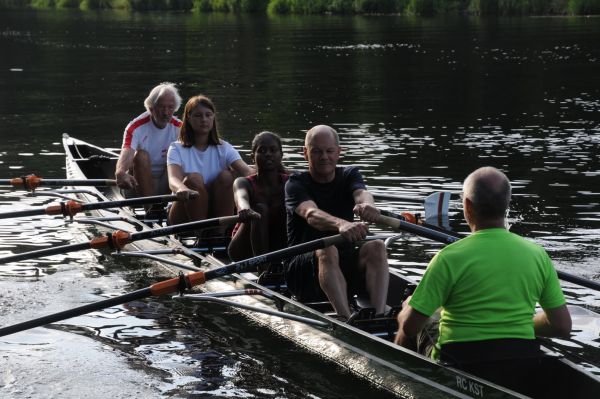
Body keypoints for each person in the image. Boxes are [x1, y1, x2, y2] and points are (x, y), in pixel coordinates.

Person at [394, 166, 572, 395]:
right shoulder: (538, 255)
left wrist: (404, 313)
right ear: (506, 206)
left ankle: (399, 378)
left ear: (467, 205)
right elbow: (561, 325)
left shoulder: (449, 257)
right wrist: (514, 324)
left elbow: (411, 327)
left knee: (409, 312)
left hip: (460, 361)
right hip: (521, 363)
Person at [284, 124, 389, 320]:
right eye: (317, 151)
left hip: (342, 264)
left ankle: (379, 316)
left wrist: (368, 206)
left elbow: (362, 194)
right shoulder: (295, 183)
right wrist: (341, 225)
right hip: (302, 272)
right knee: (328, 249)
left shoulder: (349, 174)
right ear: (305, 153)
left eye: (329, 151)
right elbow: (311, 214)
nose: (324, 157)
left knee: (376, 246)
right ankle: (346, 320)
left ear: (338, 152)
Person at [166, 95, 253, 228]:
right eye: (198, 115)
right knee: (193, 179)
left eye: (208, 115)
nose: (204, 119)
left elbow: (248, 172)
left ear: (213, 118)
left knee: (227, 176)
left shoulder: (224, 148)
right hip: (182, 215)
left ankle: (220, 233)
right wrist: (182, 188)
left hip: (216, 214)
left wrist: (278, 173)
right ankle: (201, 235)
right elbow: (173, 179)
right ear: (188, 119)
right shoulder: (176, 148)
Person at [228, 131, 289, 261]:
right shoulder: (243, 182)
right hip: (243, 250)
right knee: (260, 209)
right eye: (262, 151)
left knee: (288, 208)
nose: (268, 154)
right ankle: (263, 269)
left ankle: (285, 264)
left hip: (277, 245)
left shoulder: (290, 181)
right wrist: (244, 208)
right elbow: (241, 197)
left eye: (273, 150)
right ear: (252, 157)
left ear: (281, 155)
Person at [115, 82, 182, 197]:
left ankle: (166, 208)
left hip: (169, 183)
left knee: (179, 156)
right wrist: (120, 172)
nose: (166, 113)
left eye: (170, 107)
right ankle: (151, 210)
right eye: (161, 107)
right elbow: (127, 151)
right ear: (151, 108)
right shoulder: (135, 127)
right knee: (141, 156)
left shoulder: (180, 128)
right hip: (136, 186)